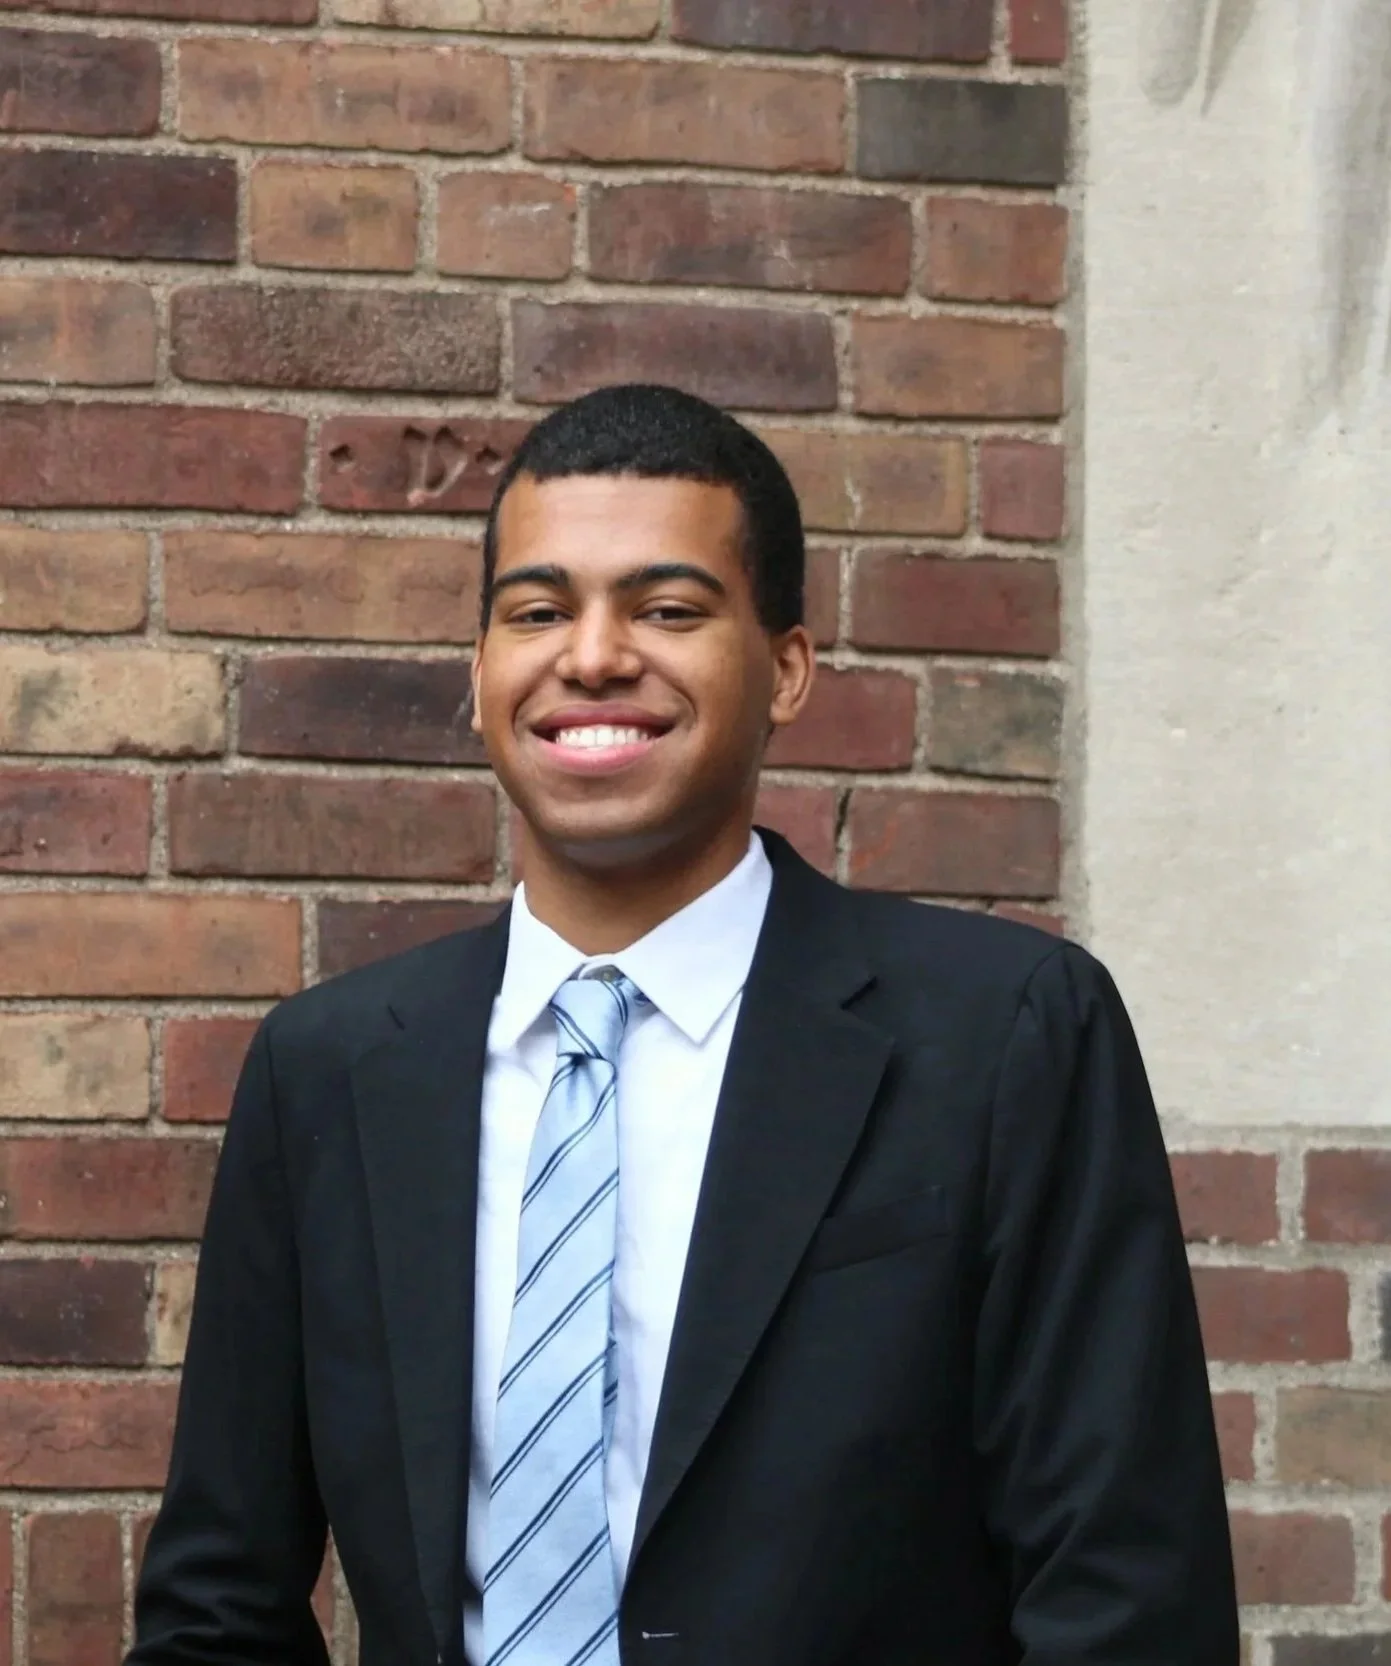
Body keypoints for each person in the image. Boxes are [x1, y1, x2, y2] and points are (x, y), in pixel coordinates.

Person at [128, 384, 1239, 1666]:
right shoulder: (330, 1070)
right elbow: (220, 1601)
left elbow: (1124, 1597)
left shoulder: (1003, 1036)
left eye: (665, 608)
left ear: (784, 667)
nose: (591, 656)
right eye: (536, 611)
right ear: (480, 671)